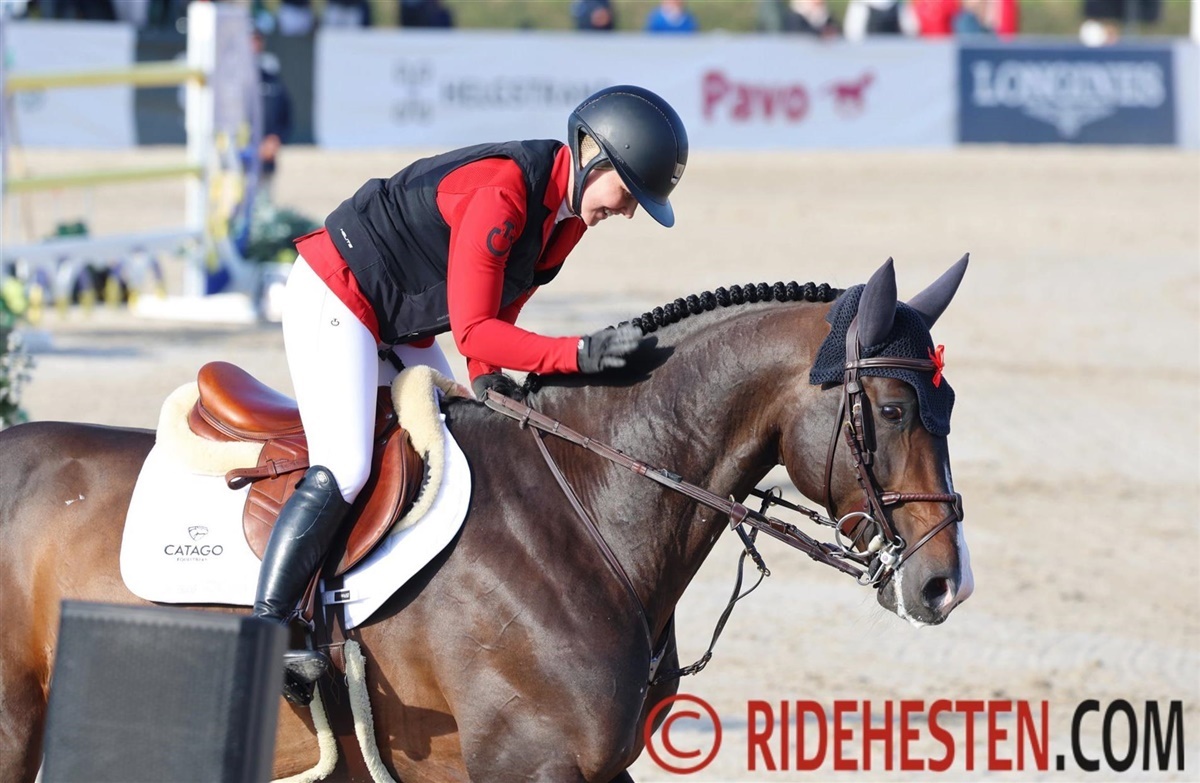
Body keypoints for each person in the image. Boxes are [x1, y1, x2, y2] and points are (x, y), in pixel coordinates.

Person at [256, 85, 689, 687]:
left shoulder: (565, 219)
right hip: (338, 293)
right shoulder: (503, 192)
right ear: (595, 158)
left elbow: (499, 310)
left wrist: (488, 382)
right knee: (348, 466)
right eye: (630, 192)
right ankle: (269, 628)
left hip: (399, 317)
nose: (630, 211)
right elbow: (474, 330)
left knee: (456, 443)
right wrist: (577, 355)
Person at [253, 30, 293, 203]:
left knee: (264, 205)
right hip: (237, 157)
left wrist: (275, 138)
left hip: (266, 157)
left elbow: (285, 111)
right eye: (251, 39)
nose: (254, 44)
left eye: (257, 39)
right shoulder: (230, 80)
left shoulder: (271, 79)